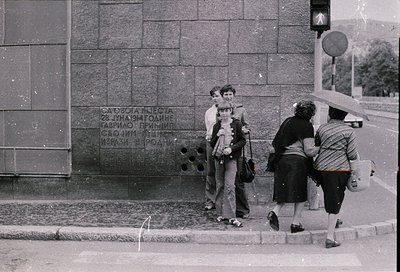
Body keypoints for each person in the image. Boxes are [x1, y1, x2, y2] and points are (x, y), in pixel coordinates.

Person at [267, 100, 320, 233]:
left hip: (281, 160)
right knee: (300, 193)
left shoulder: (288, 121)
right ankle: (295, 223)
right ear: (311, 113)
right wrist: (320, 146)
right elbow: (309, 151)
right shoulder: (307, 126)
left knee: (284, 190)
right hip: (297, 161)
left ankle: (275, 212)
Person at [314, 106, 358, 248]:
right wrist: (355, 172)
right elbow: (352, 155)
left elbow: (317, 145)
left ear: (330, 114)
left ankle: (336, 219)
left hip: (321, 168)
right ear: (344, 116)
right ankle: (330, 238)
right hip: (338, 169)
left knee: (331, 195)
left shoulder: (322, 128)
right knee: (335, 200)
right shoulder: (348, 131)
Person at [210, 101, 246, 227]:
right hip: (219, 159)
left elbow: (242, 141)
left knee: (230, 186)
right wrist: (216, 136)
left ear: (230, 111)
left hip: (231, 159)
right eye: (222, 111)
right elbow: (212, 144)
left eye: (226, 110)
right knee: (220, 185)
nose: (224, 113)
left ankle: (231, 216)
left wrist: (232, 148)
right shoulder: (216, 125)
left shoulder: (236, 124)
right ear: (219, 112)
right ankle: (220, 213)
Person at [219, 84, 250, 219]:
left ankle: (242, 210)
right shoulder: (219, 110)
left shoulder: (241, 109)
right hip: (223, 151)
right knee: (226, 182)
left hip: (238, 150)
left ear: (234, 95)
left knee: (238, 181)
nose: (228, 96)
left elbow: (247, 126)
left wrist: (245, 130)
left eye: (230, 94)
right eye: (226, 94)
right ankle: (226, 210)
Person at [204, 86, 224, 210]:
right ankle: (210, 200)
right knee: (211, 171)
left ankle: (222, 200)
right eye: (213, 96)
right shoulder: (209, 112)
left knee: (223, 172)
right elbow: (208, 128)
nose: (215, 98)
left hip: (225, 142)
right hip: (212, 142)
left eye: (217, 95)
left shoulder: (228, 111)